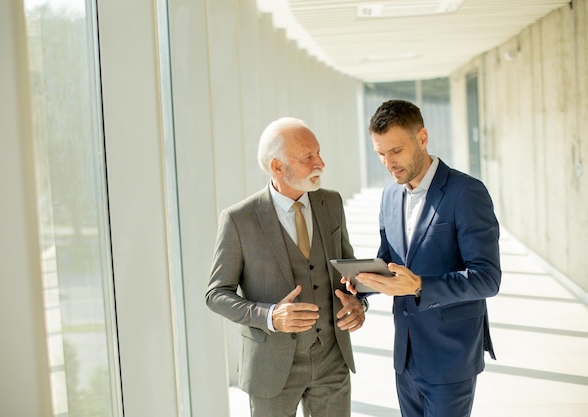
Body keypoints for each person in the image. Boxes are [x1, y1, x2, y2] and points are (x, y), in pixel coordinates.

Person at [205, 117, 367, 417]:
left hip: (332, 360)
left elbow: (349, 275)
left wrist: (359, 304)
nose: (320, 163)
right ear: (277, 167)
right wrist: (270, 316)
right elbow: (216, 294)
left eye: (318, 152)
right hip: (272, 368)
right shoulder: (238, 219)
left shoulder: (331, 203)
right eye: (308, 157)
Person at [350, 100, 501, 417]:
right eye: (380, 153)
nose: (388, 162)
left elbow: (487, 279)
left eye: (396, 151)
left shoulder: (466, 192)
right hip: (405, 359)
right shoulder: (390, 195)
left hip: (450, 357)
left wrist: (419, 285)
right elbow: (389, 265)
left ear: (422, 138)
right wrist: (359, 286)